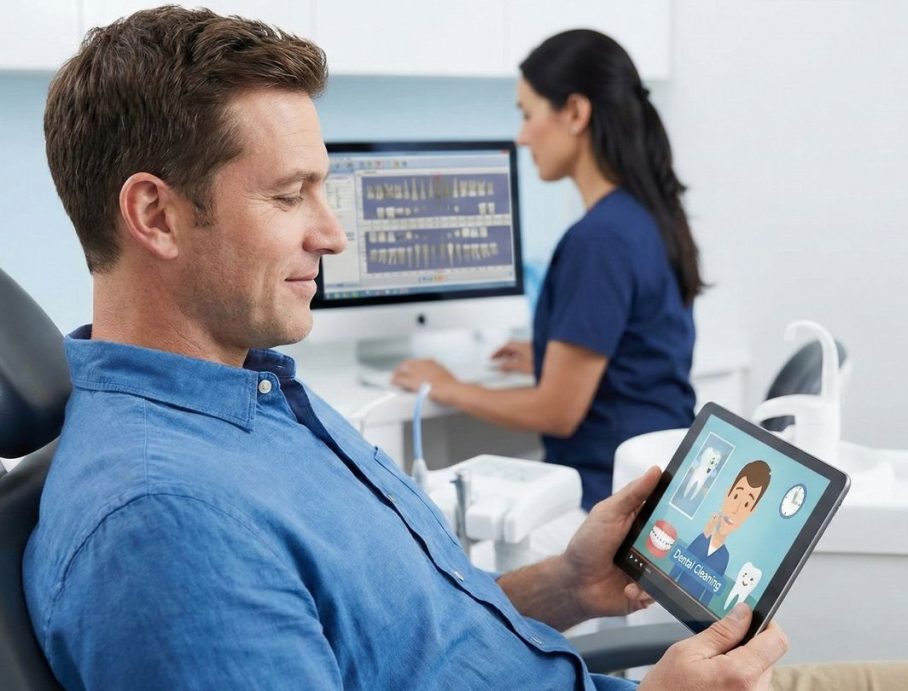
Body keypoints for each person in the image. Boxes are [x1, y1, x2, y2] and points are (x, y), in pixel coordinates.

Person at [21, 7, 788, 689]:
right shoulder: (165, 526)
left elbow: (411, 640)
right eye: (289, 195)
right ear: (156, 215)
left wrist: (566, 583)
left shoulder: (256, 394)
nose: (333, 234)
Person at [392, 30, 701, 510]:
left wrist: (450, 387)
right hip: (656, 485)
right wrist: (551, 358)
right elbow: (640, 356)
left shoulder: (599, 239)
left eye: (527, 114)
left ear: (575, 112)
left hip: (605, 500)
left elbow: (557, 412)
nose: (521, 136)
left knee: (452, 534)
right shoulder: (644, 215)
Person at [669, 461, 771, 605]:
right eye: (736, 496)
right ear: (727, 493)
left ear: (751, 511)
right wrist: (706, 534)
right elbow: (678, 567)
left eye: (746, 504)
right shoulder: (702, 539)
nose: (735, 509)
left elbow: (709, 594)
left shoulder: (724, 557)